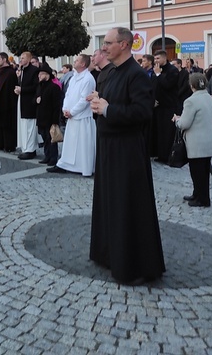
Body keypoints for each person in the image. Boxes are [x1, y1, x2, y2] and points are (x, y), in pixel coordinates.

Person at [89, 27, 165, 284]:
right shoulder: (110, 72)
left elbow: (143, 113)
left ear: (124, 44)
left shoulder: (137, 75)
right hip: (108, 146)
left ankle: (133, 264)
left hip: (127, 149)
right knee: (108, 202)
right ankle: (108, 253)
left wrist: (109, 110)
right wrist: (98, 102)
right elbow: (109, 104)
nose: (103, 48)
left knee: (127, 205)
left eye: (108, 43)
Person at [172, 73, 212, 207]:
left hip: (196, 142)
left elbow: (184, 124)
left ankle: (202, 199)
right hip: (208, 139)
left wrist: (177, 120)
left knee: (197, 172)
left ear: (192, 85)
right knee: (203, 172)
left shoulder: (191, 101)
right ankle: (198, 194)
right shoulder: (209, 98)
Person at [47, 54, 96, 175]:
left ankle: (84, 168)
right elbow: (68, 95)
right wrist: (65, 109)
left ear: (83, 64)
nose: (74, 62)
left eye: (77, 60)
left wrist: (72, 111)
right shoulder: (74, 77)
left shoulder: (88, 79)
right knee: (70, 144)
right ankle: (65, 164)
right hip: (71, 117)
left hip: (82, 117)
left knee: (83, 145)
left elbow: (85, 99)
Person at [152, 50, 179, 162]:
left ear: (164, 58)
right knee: (159, 131)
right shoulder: (156, 70)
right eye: (155, 59)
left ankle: (167, 155)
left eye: (158, 58)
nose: (156, 61)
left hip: (169, 105)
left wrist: (158, 74)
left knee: (167, 132)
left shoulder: (172, 70)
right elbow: (155, 85)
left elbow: (167, 85)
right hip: (158, 105)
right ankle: (160, 154)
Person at [35, 63, 64, 167]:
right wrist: (36, 100)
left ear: (47, 75)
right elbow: (35, 99)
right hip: (41, 117)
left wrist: (55, 121)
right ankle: (47, 156)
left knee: (51, 139)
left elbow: (56, 106)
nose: (39, 76)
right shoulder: (40, 86)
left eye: (41, 74)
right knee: (45, 139)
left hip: (50, 118)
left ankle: (53, 158)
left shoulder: (54, 87)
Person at [0, 52, 18, 153]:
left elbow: (11, 89)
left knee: (7, 124)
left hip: (7, 103)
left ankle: (9, 144)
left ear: (4, 60)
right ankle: (0, 142)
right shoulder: (1, 72)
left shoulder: (10, 73)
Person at [15, 51, 39, 159]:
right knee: (23, 126)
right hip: (22, 100)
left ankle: (30, 149)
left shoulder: (34, 71)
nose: (21, 60)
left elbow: (35, 87)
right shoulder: (22, 70)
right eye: (20, 58)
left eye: (23, 58)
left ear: (29, 59)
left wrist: (22, 89)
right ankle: (25, 148)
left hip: (30, 102)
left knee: (30, 126)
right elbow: (21, 83)